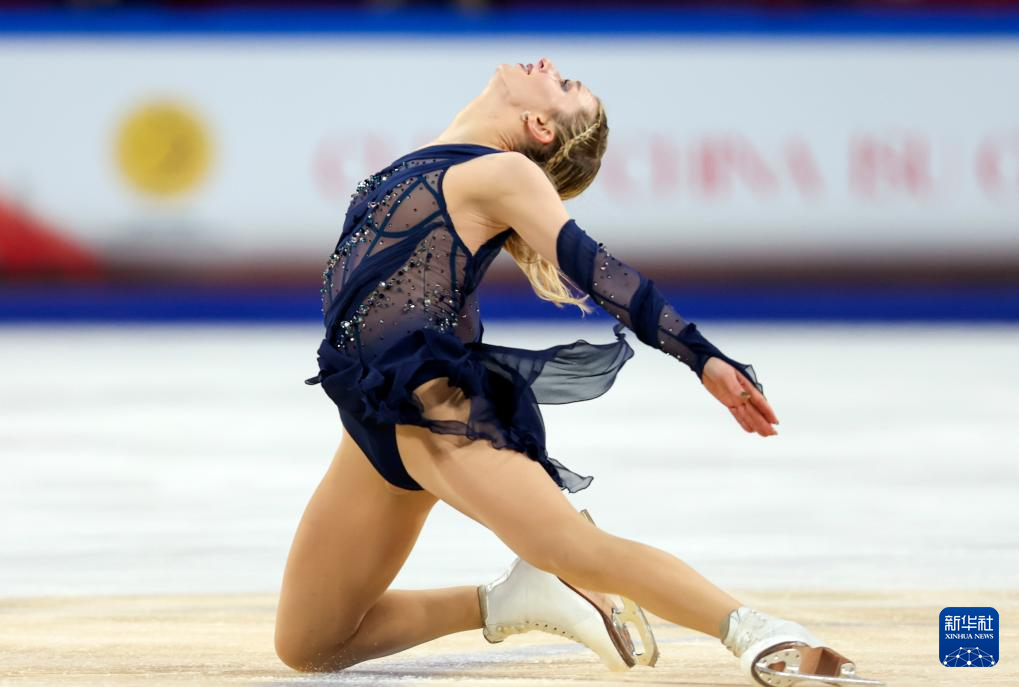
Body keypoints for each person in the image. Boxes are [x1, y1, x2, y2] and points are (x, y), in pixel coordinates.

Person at [274, 57, 883, 687]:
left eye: (564, 87)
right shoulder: (435, 158)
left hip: (432, 411)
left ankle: (759, 632)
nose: (550, 67)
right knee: (311, 642)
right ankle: (511, 601)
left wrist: (701, 355)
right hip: (369, 410)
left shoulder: (505, 173)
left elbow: (597, 269)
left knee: (570, 547)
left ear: (539, 126)